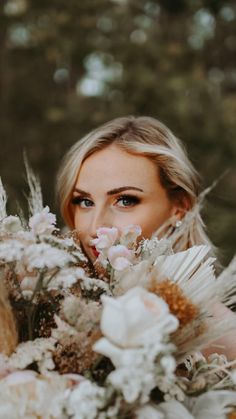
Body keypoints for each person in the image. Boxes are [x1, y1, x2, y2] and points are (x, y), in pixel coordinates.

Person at [57, 115, 236, 359]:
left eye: (125, 200)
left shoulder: (215, 331)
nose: (96, 226)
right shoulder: (43, 305)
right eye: (84, 202)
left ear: (179, 208)